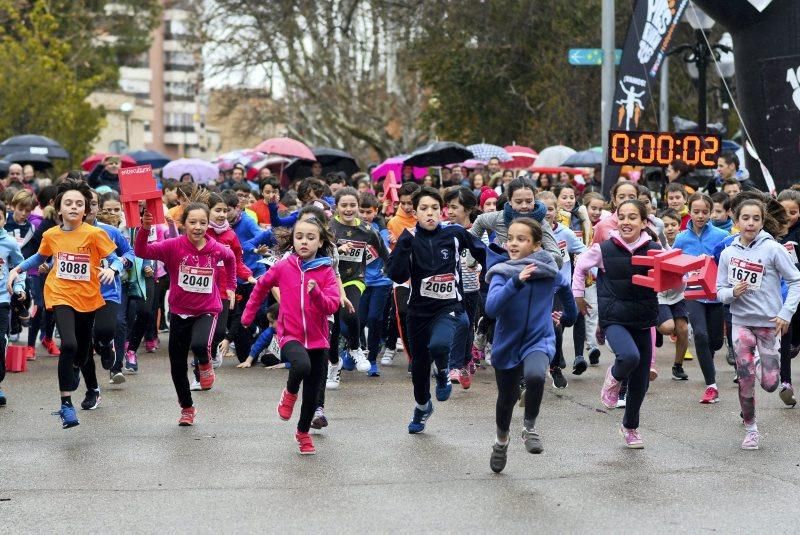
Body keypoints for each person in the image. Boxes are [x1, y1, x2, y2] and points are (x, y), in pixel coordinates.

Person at [8, 180, 121, 429]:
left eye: (79, 204)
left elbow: (116, 259)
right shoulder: (51, 235)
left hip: (88, 298)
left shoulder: (95, 234)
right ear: (58, 209)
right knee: (68, 344)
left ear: (85, 210)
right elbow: (40, 256)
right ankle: (66, 405)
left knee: (81, 352)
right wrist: (17, 268)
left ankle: (85, 374)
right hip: (60, 294)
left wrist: (113, 268)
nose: (73, 207)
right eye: (68, 203)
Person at [386, 186, 486, 434]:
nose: (430, 214)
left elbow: (482, 252)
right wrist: (405, 246)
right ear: (415, 212)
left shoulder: (454, 233)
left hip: (448, 305)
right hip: (418, 311)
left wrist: (504, 267)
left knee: (440, 346)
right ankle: (422, 408)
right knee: (419, 366)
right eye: (424, 209)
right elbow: (396, 273)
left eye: (434, 208)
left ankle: (443, 371)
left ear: (441, 211)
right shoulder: (408, 237)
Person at [241, 216, 340, 455]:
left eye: (310, 237)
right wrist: (248, 314)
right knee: (301, 366)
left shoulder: (326, 271)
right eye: (299, 237)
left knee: (313, 392)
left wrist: (316, 293)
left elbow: (332, 306)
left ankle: (303, 433)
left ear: (320, 242)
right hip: (290, 333)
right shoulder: (283, 267)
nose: (304, 242)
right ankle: (290, 392)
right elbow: (261, 286)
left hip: (318, 338)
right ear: (292, 240)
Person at [485, 217, 576, 472]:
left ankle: (529, 428)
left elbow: (566, 290)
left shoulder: (548, 273)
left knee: (536, 376)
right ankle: (501, 441)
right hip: (507, 343)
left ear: (536, 245)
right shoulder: (501, 274)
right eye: (510, 238)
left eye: (521, 239)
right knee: (507, 398)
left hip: (539, 338)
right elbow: (492, 309)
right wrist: (516, 281)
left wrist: (568, 317)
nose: (513, 243)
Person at [135, 203, 236, 426]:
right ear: (184, 224)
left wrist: (231, 285)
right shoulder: (173, 246)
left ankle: (206, 364)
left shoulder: (216, 248)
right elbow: (142, 252)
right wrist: (144, 229)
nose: (198, 227)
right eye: (193, 222)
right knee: (177, 366)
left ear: (207, 224)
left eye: (202, 222)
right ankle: (187, 408)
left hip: (207, 309)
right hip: (179, 312)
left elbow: (231, 260)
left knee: (200, 345)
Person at [572, 200, 661, 448]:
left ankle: (630, 427)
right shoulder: (604, 249)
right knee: (628, 356)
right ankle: (613, 379)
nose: (626, 222)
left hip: (644, 319)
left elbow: (673, 277)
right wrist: (578, 295)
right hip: (615, 319)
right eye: (622, 217)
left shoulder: (654, 248)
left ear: (644, 222)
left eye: (633, 217)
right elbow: (580, 267)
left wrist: (683, 279)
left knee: (641, 381)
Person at [717, 199, 800, 449]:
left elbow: (796, 281)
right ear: (736, 222)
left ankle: (757, 362)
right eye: (745, 218)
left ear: (763, 222)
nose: (750, 223)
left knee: (770, 383)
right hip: (741, 322)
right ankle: (751, 428)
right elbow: (719, 291)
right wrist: (733, 293)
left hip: (769, 324)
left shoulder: (773, 250)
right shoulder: (728, 253)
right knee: (745, 379)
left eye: (755, 218)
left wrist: (786, 313)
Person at [674, 193, 731, 404]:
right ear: (689, 211)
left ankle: (710, 357)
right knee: (700, 334)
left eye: (705, 212)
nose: (700, 216)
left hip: (715, 293)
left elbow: (728, 260)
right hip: (693, 293)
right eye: (696, 212)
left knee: (715, 341)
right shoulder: (681, 238)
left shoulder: (720, 236)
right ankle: (711, 385)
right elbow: (673, 262)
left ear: (710, 212)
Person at [470, 178, 562, 268]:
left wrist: (534, 257)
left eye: (529, 201)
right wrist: (473, 257)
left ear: (535, 199)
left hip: (532, 276)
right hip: (504, 274)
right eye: (518, 202)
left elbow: (558, 259)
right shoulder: (499, 218)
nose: (524, 206)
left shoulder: (541, 223)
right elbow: (480, 220)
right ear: (510, 200)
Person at [444, 186, 482, 388]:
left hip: (471, 289)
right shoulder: (444, 230)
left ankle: (463, 363)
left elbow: (483, 256)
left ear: (467, 209)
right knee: (459, 325)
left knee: (467, 328)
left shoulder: (478, 232)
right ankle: (453, 364)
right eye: (447, 207)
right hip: (450, 290)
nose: (449, 211)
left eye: (454, 207)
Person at [656, 209, 691, 381]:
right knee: (668, 328)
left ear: (679, 226)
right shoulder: (656, 244)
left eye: (673, 225)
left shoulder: (685, 242)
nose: (669, 228)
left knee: (683, 329)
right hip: (660, 295)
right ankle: (655, 326)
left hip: (678, 294)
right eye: (665, 225)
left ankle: (678, 366)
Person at [0, 201, 27, 406]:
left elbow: (19, 268)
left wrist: (18, 288)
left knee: (0, 343)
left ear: (4, 219)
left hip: (2, 300)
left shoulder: (9, 242)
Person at [777, 189, 800, 406]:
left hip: (798, 290)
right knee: (784, 335)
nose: (788, 217)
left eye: (793, 212)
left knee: (793, 337)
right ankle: (786, 382)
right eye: (784, 212)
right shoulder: (768, 233)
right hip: (780, 296)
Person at [238, 303, 280, 368]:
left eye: (271, 322)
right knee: (266, 359)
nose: (269, 325)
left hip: (293, 357)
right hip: (282, 355)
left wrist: (285, 364)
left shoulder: (294, 331)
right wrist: (248, 361)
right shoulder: (271, 330)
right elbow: (260, 342)